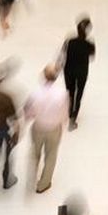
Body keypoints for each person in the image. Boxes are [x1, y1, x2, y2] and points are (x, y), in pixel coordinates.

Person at [24, 64, 69, 194]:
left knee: (35, 153)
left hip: (38, 127)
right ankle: (43, 184)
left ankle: (33, 174)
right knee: (51, 155)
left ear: (43, 76)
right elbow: (65, 113)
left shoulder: (35, 93)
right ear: (55, 78)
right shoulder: (62, 94)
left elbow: (28, 113)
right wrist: (63, 125)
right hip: (54, 129)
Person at [60, 18, 95, 131]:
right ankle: (73, 119)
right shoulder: (89, 44)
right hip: (81, 71)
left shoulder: (69, 41)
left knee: (70, 92)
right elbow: (92, 57)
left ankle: (69, 111)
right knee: (78, 93)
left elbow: (63, 53)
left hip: (69, 70)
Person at [0, 62, 19, 189]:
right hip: (1, 129)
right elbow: (13, 118)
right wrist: (16, 133)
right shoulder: (6, 98)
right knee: (8, 154)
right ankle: (7, 180)